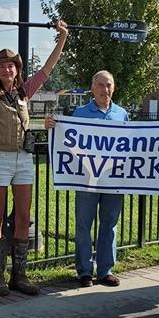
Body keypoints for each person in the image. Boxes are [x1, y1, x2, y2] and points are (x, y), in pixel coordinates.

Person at [0, 16, 68, 296]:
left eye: (12, 65)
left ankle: (19, 275)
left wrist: (62, 38)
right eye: (2, 65)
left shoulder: (24, 93)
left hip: (23, 160)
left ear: (17, 69)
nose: (7, 68)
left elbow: (47, 70)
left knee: (22, 217)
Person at [44, 71, 129, 287]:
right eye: (100, 85)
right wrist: (51, 127)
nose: (105, 89)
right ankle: (83, 271)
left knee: (109, 224)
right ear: (92, 88)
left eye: (108, 84)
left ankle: (105, 270)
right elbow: (66, 141)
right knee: (84, 224)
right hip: (86, 179)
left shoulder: (122, 114)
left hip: (113, 180)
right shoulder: (80, 113)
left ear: (114, 87)